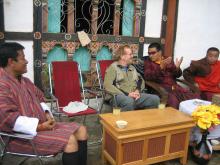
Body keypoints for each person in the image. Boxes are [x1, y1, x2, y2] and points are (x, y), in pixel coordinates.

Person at [0, 42, 87, 165]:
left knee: (81, 129)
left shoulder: (25, 80)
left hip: (43, 126)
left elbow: (40, 97)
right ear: (11, 62)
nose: (26, 61)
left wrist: (47, 114)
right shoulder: (2, 85)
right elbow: (7, 118)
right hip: (20, 138)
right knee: (70, 140)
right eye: (23, 58)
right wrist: (40, 127)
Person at [144, 42, 200, 109]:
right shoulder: (148, 62)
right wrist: (160, 68)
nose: (150, 56)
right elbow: (148, 77)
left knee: (195, 98)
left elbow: (177, 75)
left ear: (160, 52)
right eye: (149, 53)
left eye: (153, 53)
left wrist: (177, 68)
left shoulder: (168, 60)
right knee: (173, 101)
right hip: (160, 88)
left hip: (174, 87)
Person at [103, 45, 160, 111]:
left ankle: (144, 119)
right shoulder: (113, 68)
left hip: (134, 95)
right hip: (118, 96)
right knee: (129, 101)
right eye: (130, 54)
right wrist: (128, 94)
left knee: (155, 99)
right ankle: (124, 120)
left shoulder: (132, 68)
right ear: (122, 56)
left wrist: (137, 91)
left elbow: (140, 80)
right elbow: (108, 85)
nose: (132, 56)